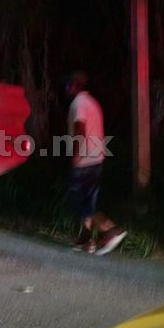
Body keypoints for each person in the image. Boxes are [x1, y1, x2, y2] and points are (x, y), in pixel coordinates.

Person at [64, 71, 127, 255]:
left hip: (84, 159)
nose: (66, 89)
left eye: (68, 85)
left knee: (80, 200)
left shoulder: (78, 104)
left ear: (75, 85)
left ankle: (110, 229)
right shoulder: (92, 102)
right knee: (87, 198)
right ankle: (87, 239)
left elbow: (81, 128)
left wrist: (76, 154)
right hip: (97, 157)